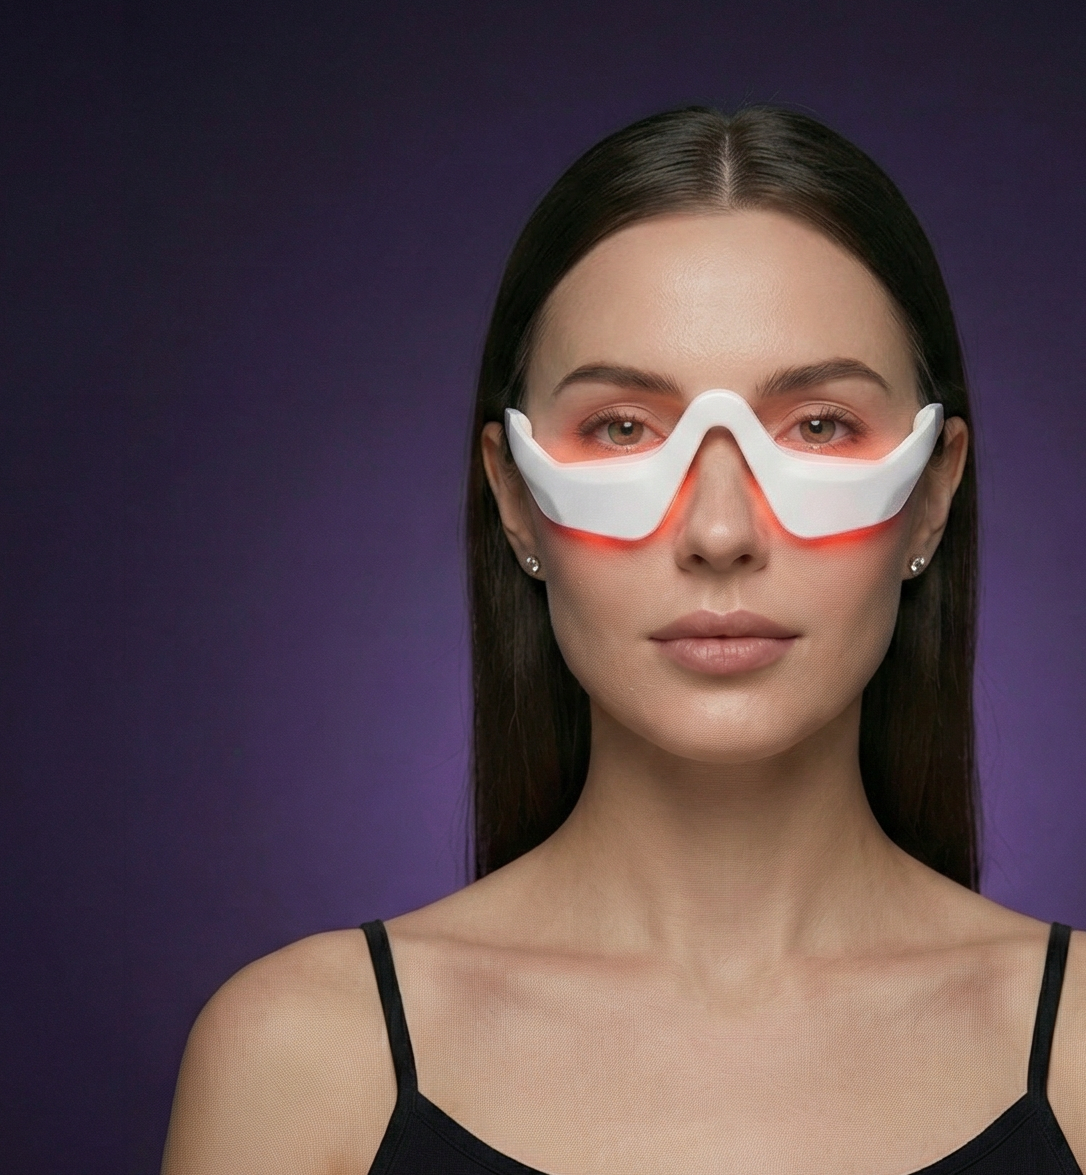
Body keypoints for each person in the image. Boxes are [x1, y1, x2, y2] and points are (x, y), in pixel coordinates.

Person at [160, 106, 1084, 1175]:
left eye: (819, 424)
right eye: (624, 428)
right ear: (513, 495)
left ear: (933, 494)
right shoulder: (306, 1062)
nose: (722, 533)